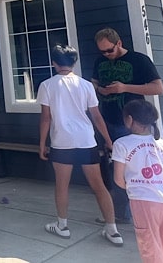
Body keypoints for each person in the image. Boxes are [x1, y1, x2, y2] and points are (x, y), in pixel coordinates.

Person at [38, 45, 122, 246]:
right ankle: (112, 230)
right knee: (99, 186)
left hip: (61, 141)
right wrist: (109, 141)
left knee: (62, 185)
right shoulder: (85, 85)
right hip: (86, 140)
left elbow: (45, 118)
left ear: (54, 63)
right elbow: (96, 116)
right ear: (74, 62)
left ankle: (62, 225)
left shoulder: (47, 85)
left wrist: (42, 144)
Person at [91, 27, 163, 222]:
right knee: (112, 168)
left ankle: (144, 212)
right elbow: (93, 82)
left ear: (119, 43)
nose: (106, 55)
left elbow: (158, 88)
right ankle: (119, 214)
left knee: (135, 168)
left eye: (109, 50)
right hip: (106, 121)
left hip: (133, 124)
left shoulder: (139, 60)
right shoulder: (100, 61)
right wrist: (100, 89)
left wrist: (124, 87)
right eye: (102, 51)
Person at [112, 99, 163, 263]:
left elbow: (118, 179)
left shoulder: (121, 144)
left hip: (142, 200)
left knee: (149, 244)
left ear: (129, 119)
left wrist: (134, 189)